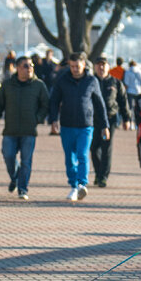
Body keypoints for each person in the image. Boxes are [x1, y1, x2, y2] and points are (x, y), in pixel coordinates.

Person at [49, 53, 108, 201]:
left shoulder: (91, 81)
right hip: (67, 125)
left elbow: (100, 104)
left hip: (85, 125)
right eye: (73, 66)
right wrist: (53, 119)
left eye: (78, 66)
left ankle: (82, 184)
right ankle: (73, 186)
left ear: (84, 65)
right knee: (70, 157)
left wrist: (105, 125)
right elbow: (54, 101)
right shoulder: (62, 80)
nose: (75, 69)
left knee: (82, 154)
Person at [0, 55, 49, 200]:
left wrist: (38, 119)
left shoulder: (38, 85)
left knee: (26, 161)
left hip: (29, 131)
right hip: (10, 130)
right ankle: (15, 177)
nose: (30, 69)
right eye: (26, 66)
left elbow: (45, 104)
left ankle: (23, 189)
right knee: (8, 155)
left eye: (31, 66)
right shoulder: (7, 85)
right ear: (17, 68)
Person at [90, 58, 131, 187]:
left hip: (110, 119)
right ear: (95, 67)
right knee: (94, 148)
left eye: (104, 65)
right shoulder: (90, 81)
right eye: (99, 65)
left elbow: (123, 101)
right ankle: (98, 173)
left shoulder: (115, 83)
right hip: (93, 119)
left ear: (108, 67)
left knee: (106, 148)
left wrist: (126, 118)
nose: (101, 68)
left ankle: (103, 177)